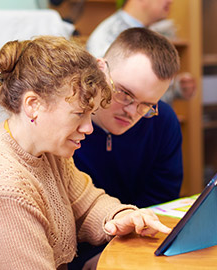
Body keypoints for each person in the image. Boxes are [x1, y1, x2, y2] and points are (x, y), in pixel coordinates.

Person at [0, 35, 172, 270]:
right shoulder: (1, 189)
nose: (88, 128)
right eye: (79, 114)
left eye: (91, 114)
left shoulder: (47, 151)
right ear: (33, 105)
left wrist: (120, 216)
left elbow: (87, 204)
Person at [70, 28, 181, 269]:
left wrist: (124, 251)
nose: (131, 112)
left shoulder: (163, 121)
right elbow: (61, 215)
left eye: (147, 105)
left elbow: (161, 203)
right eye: (124, 94)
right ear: (100, 69)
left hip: (137, 247)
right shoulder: (65, 123)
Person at [86, 0, 196, 104]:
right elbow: (108, 98)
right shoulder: (108, 36)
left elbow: (143, 94)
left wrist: (175, 88)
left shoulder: (150, 32)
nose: (170, 1)